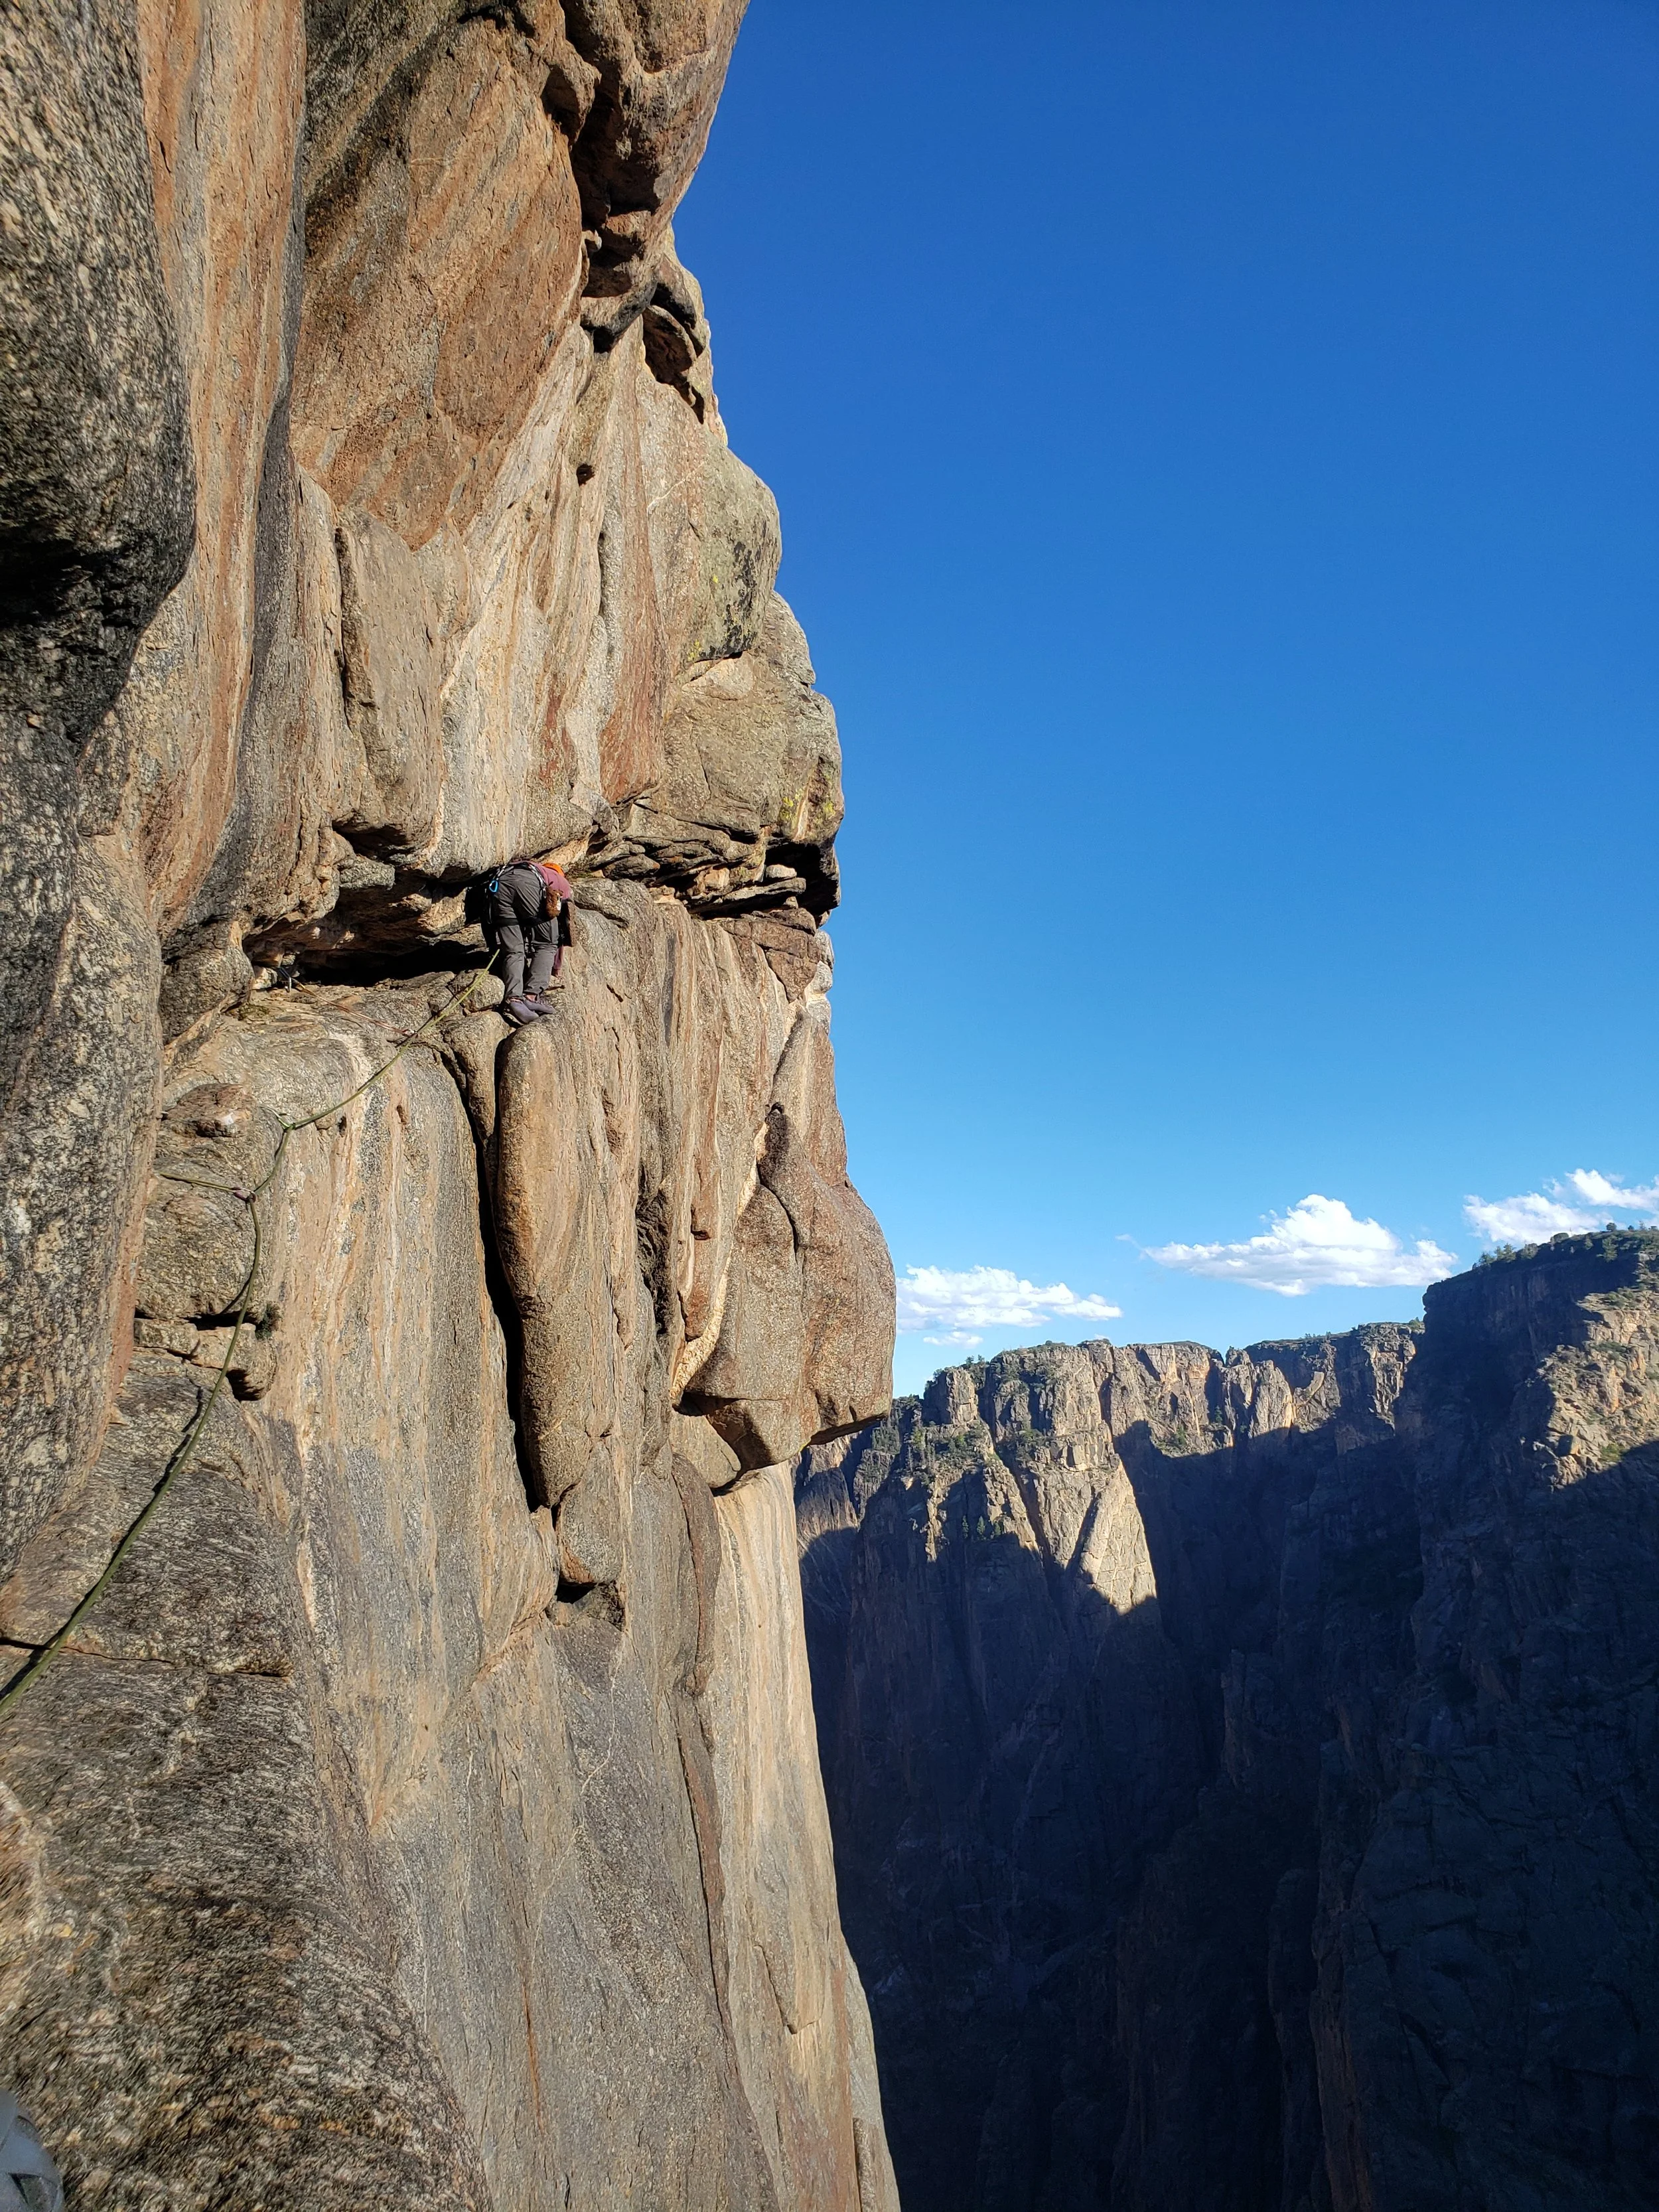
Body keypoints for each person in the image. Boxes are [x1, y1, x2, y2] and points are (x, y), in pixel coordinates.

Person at [490, 855, 574, 1025]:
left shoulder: (528, 867)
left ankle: (514, 999)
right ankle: (531, 995)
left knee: (514, 949)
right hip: (527, 884)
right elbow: (563, 928)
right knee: (547, 943)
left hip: (499, 884)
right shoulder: (560, 880)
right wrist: (556, 967)